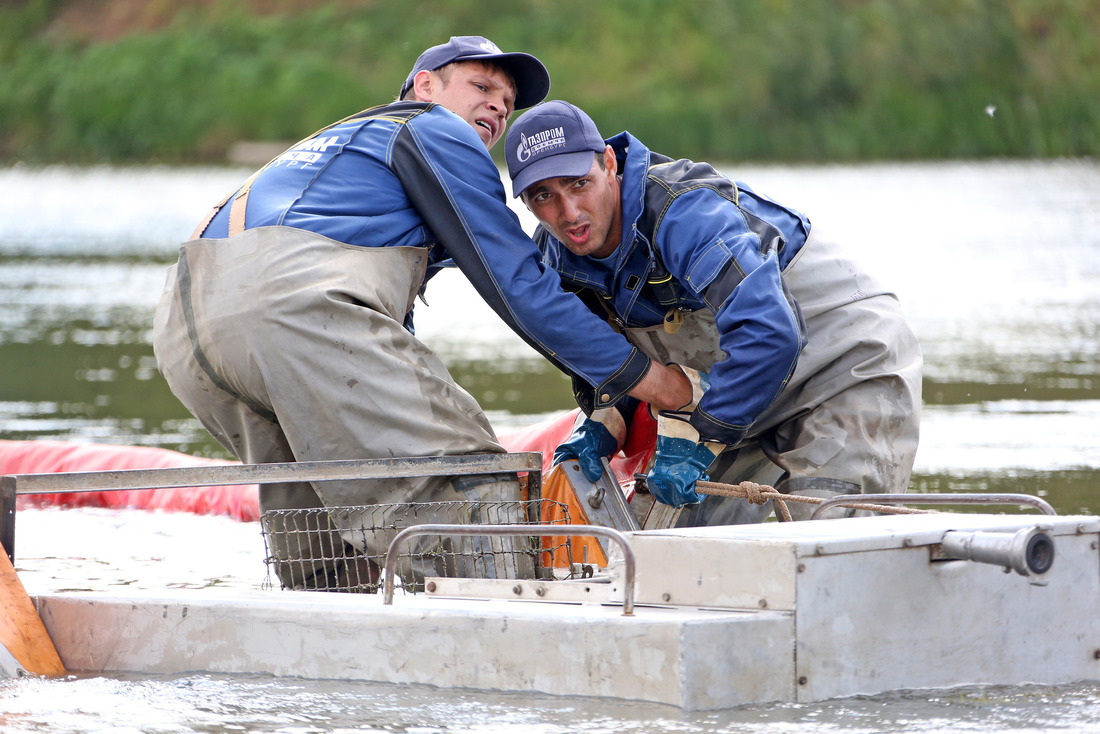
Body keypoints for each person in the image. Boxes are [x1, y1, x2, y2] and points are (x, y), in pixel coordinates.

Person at [152, 38, 690, 589]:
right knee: (475, 489)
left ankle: (333, 639)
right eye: (482, 87)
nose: (497, 109)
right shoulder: (434, 129)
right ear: (426, 86)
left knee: (322, 530)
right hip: (291, 313)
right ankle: (514, 634)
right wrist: (645, 380)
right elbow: (517, 285)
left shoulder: (340, 143)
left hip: (186, 335)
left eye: (507, 105)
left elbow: (371, 325)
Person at [504, 100, 923, 524]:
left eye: (579, 184)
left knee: (824, 545)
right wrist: (605, 415)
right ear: (525, 201)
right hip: (735, 391)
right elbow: (613, 357)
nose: (569, 212)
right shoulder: (554, 255)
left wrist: (704, 435)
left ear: (609, 163)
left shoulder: (685, 214)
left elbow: (769, 332)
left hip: (844, 367)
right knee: (672, 551)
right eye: (544, 196)